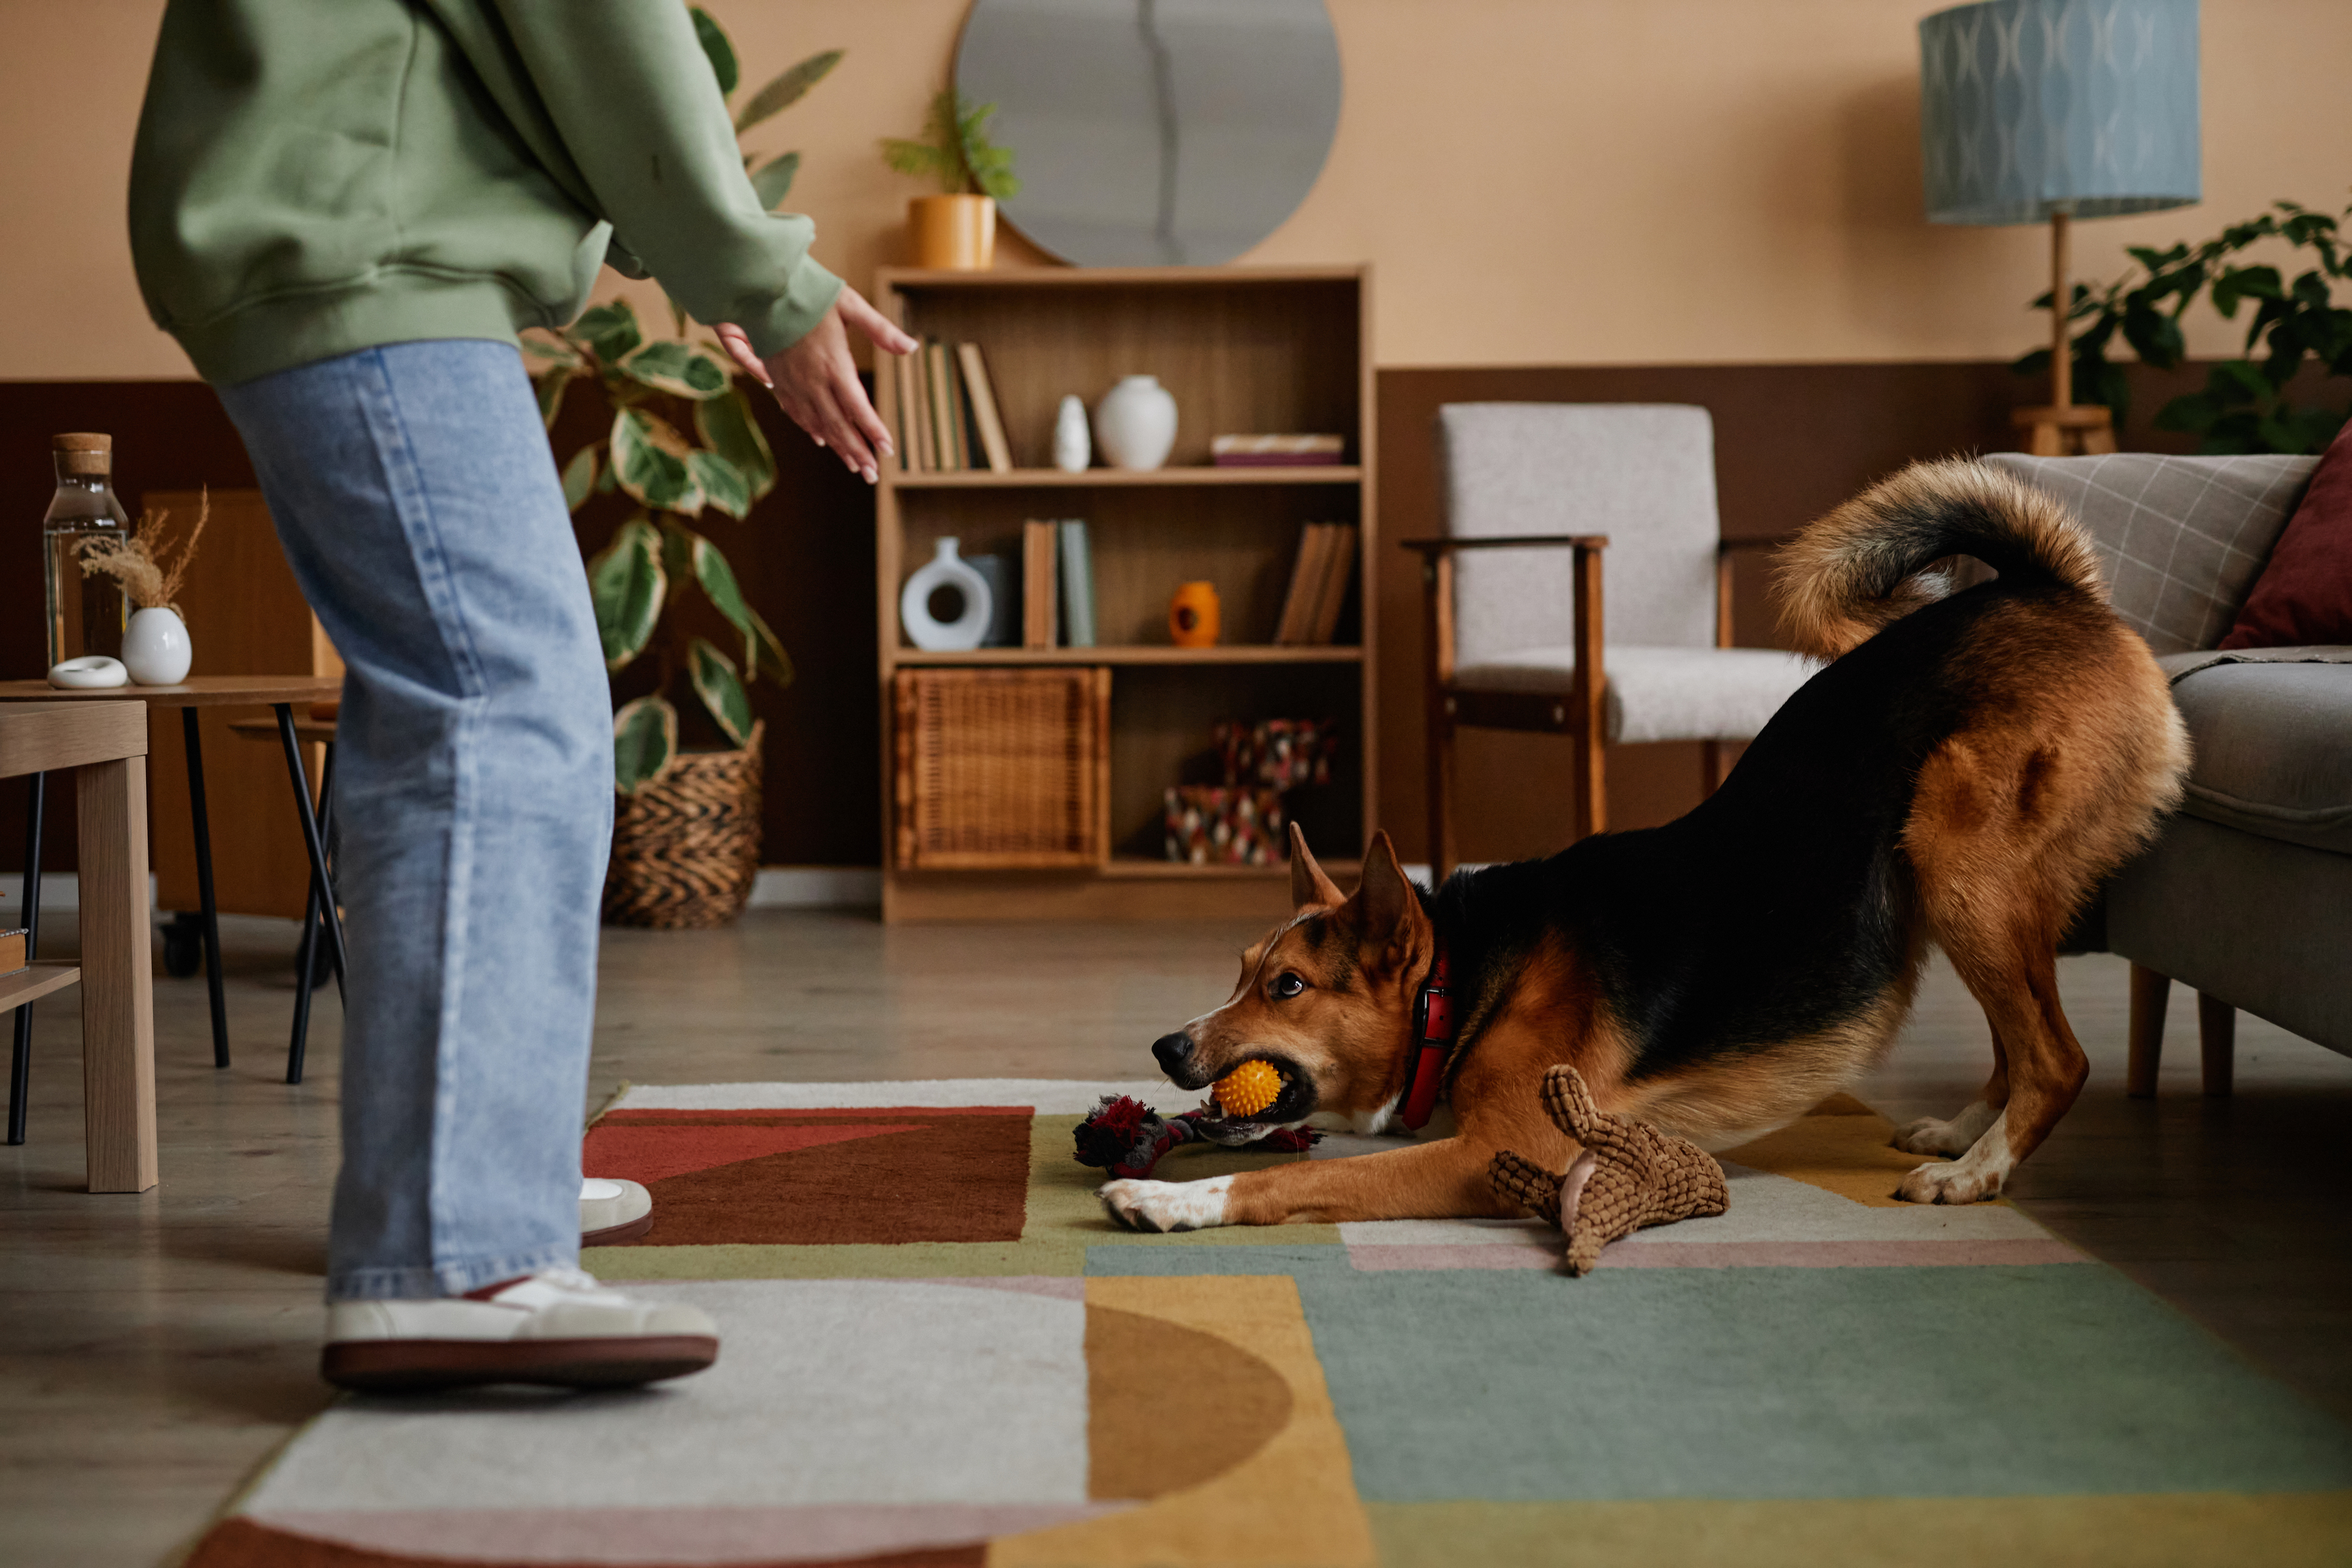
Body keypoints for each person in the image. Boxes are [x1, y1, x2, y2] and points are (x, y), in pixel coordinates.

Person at [128, 0, 914, 1392]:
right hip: (361, 242)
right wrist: (763, 280)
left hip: (333, 227)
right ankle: (455, 1253)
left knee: (461, 703)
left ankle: (463, 1191)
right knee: (499, 705)